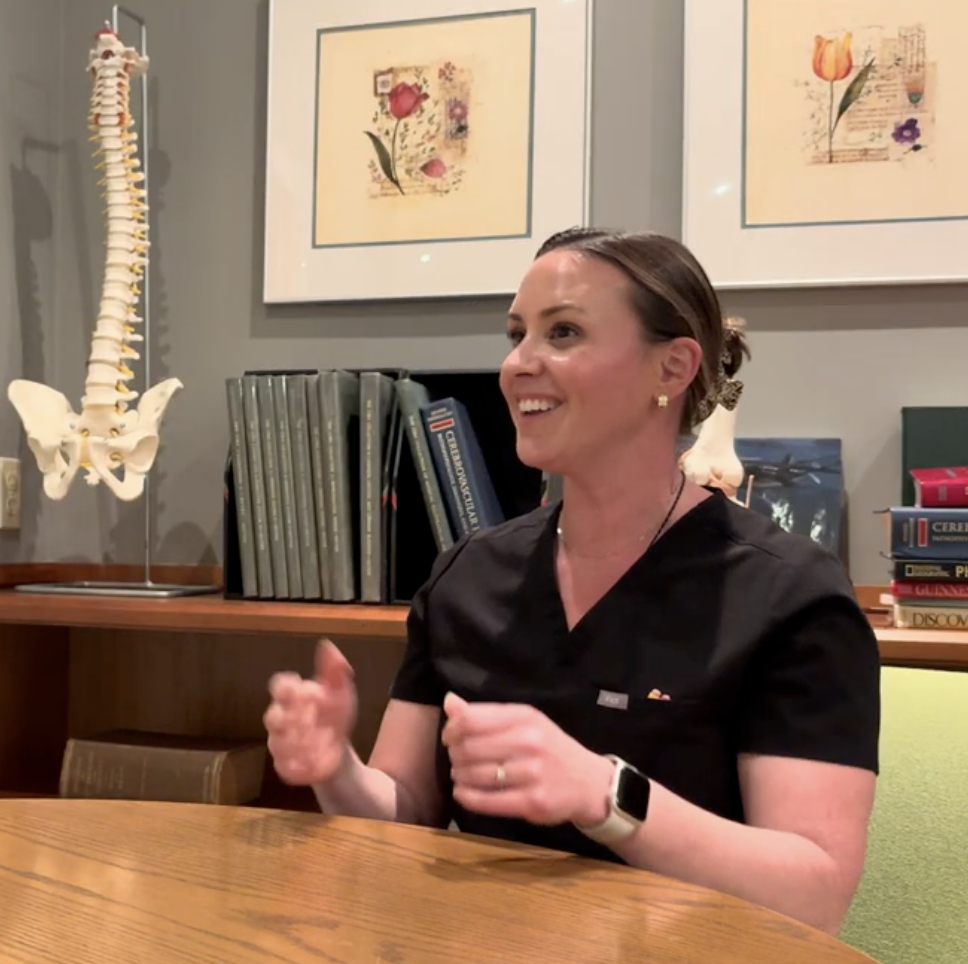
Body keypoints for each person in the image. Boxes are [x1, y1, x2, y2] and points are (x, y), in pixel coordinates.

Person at [264, 228, 880, 937]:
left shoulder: (791, 597)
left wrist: (603, 792)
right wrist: (336, 769)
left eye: (563, 332)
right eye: (516, 333)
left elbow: (815, 896)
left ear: (672, 369)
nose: (518, 364)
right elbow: (410, 813)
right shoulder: (468, 574)